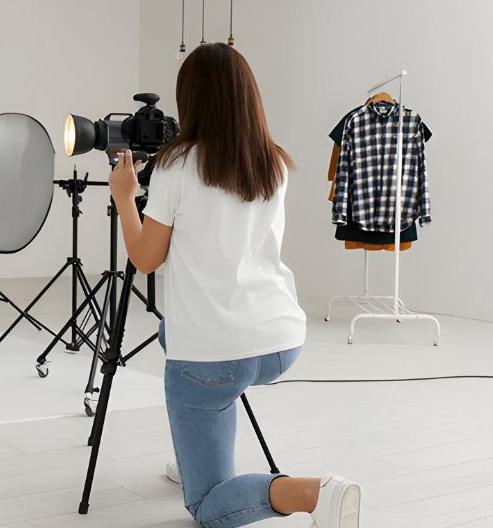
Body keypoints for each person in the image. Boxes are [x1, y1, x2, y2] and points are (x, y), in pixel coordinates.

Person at [108, 43, 361, 528]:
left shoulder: (176, 165)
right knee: (174, 335)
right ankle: (195, 451)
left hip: (213, 359)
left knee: (207, 506)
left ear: (192, 100)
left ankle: (317, 493)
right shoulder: (273, 161)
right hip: (281, 341)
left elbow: (145, 258)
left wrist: (126, 198)